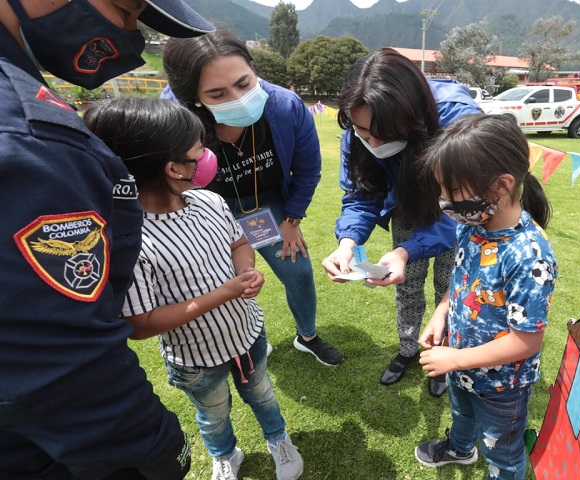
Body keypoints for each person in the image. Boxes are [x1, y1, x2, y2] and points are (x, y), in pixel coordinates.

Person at [0, 1, 213, 478]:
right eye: (127, 6)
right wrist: (157, 451)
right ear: (169, 165)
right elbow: (61, 367)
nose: (131, 31)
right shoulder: (29, 136)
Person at [83, 97, 304, 480]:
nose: (206, 155)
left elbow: (239, 243)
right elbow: (142, 324)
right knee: (213, 413)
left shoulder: (210, 201)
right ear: (173, 168)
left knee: (262, 394)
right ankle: (225, 455)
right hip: (196, 359)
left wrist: (247, 270)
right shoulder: (128, 239)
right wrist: (227, 291)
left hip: (247, 334)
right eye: (199, 150)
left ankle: (278, 439)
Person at [160, 27, 343, 367]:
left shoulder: (286, 107)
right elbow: (166, 181)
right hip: (208, 208)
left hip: (266, 203)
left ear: (253, 67)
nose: (237, 99)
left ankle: (308, 337)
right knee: (223, 280)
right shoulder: (174, 119)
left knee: (298, 270)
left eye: (244, 84)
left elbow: (307, 170)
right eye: (217, 94)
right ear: (193, 97)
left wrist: (292, 220)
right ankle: (245, 337)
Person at [321, 48, 482, 395]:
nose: (374, 142)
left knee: (449, 285)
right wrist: (347, 242)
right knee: (406, 285)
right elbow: (361, 195)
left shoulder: (457, 118)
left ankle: (443, 354)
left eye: (385, 132)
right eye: (364, 132)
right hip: (407, 205)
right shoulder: (358, 124)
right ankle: (408, 349)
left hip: (462, 211)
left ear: (412, 115)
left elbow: (468, 206)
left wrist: (407, 250)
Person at [414, 113, 558, 480]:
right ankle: (460, 450)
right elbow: (463, 279)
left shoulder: (528, 256)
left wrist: (456, 359)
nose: (444, 200)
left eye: (452, 190)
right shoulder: (473, 225)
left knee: (502, 450)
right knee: (462, 414)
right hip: (461, 365)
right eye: (441, 189)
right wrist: (441, 313)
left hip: (501, 385)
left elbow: (526, 341)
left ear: (501, 186)